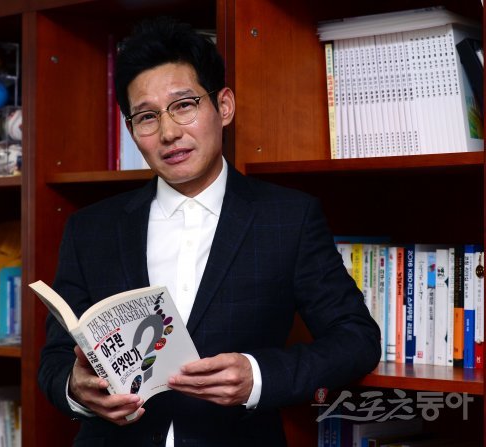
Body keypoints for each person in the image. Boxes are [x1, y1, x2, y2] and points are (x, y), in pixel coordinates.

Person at [38, 16, 381, 447]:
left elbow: (357, 339)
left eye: (184, 105)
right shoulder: (90, 228)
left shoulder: (288, 218)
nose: (168, 133)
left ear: (224, 106)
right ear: (132, 130)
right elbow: (54, 359)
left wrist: (257, 376)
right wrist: (76, 389)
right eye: (146, 117)